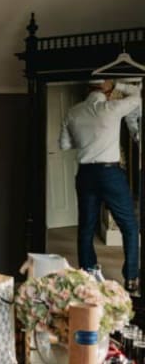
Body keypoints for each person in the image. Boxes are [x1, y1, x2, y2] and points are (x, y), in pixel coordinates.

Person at [60, 79, 141, 296]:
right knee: (129, 226)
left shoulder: (73, 111)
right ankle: (132, 278)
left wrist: (88, 141)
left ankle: (88, 276)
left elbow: (64, 145)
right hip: (110, 173)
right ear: (105, 91)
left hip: (85, 173)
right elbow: (137, 97)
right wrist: (118, 85)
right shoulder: (112, 108)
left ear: (87, 89)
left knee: (86, 227)